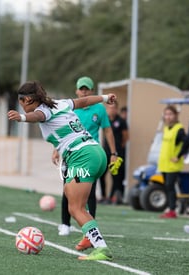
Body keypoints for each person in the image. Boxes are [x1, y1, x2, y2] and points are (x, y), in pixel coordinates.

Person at [8, 80, 116, 261]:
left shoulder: (44, 110)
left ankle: (101, 248)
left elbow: (38, 116)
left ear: (27, 99)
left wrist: (22, 118)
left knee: (75, 208)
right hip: (96, 153)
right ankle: (89, 236)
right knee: (70, 193)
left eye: (20, 102)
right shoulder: (60, 103)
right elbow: (83, 102)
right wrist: (105, 97)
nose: (21, 106)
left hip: (82, 156)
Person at [54, 76, 118, 244]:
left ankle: (90, 231)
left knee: (90, 192)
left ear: (91, 91)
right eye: (81, 88)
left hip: (91, 156)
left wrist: (114, 152)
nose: (83, 91)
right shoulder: (70, 109)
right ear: (76, 91)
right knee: (68, 190)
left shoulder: (100, 109)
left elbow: (108, 131)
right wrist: (56, 151)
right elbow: (61, 131)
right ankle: (65, 224)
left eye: (86, 88)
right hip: (71, 154)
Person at [158, 105, 187, 218]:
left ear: (175, 115)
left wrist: (178, 156)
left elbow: (186, 143)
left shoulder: (179, 129)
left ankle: (173, 210)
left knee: (170, 186)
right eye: (166, 114)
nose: (168, 117)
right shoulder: (166, 128)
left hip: (173, 164)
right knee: (167, 186)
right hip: (164, 164)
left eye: (170, 114)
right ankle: (170, 208)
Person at [100, 101, 129, 205]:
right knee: (101, 175)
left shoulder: (121, 121)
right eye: (109, 108)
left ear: (116, 109)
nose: (111, 110)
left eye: (113, 108)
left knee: (115, 176)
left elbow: (126, 136)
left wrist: (119, 148)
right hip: (105, 152)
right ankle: (103, 196)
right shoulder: (105, 120)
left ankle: (111, 197)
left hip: (116, 154)